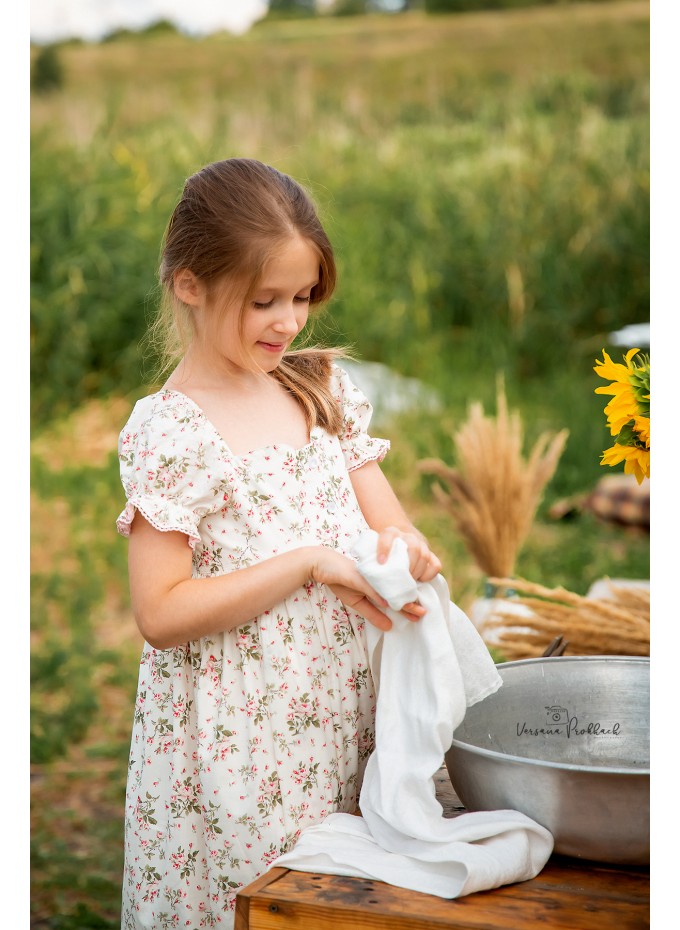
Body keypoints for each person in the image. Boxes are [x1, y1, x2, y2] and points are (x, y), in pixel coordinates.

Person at [116, 157, 442, 928]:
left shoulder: (318, 389)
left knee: (353, 901)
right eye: (264, 301)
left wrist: (407, 553)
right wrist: (304, 564)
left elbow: (388, 524)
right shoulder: (174, 430)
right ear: (190, 284)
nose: (289, 322)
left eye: (303, 297)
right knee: (263, 901)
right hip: (242, 736)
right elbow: (160, 612)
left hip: (342, 702)